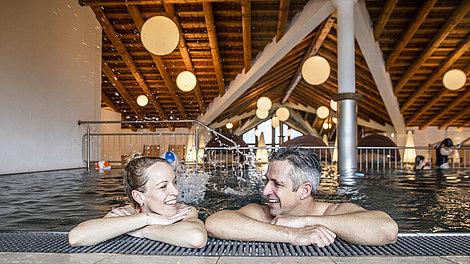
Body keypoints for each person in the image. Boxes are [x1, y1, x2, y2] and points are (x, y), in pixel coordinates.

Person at [205, 147, 398, 247]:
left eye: (277, 184)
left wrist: (303, 221)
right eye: (267, 181)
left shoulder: (334, 212)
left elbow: (387, 230)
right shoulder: (261, 212)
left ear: (304, 191)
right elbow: (215, 223)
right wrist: (293, 235)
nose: (265, 191)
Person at [68, 153, 207, 248]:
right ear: (139, 196)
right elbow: (76, 237)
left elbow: (196, 237)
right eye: (163, 186)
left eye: (174, 182)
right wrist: (147, 218)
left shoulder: (183, 211)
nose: (176, 192)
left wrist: (142, 231)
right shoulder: (125, 213)